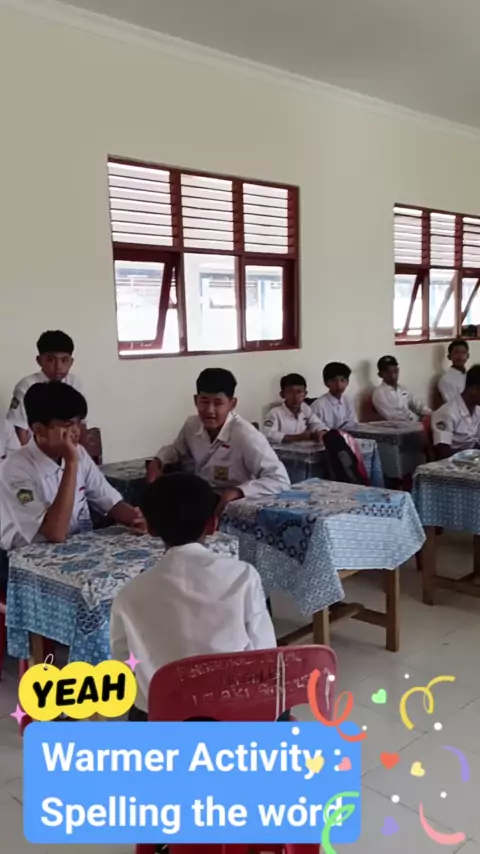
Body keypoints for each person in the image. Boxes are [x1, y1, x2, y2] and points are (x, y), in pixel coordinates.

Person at [110, 473, 276, 718]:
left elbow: (123, 662)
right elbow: (265, 654)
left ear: (151, 529)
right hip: (232, 716)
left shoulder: (129, 594)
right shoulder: (243, 576)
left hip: (162, 718)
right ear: (212, 524)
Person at [0, 382, 145, 550]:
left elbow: (109, 501)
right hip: (28, 555)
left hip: (75, 546)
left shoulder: (78, 453)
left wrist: (136, 518)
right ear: (39, 430)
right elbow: (55, 533)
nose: (76, 431)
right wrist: (71, 463)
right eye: (67, 425)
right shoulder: (14, 469)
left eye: (78, 422)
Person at [147, 368, 290, 513]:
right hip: (200, 497)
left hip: (233, 505)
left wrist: (238, 492)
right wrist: (157, 462)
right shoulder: (191, 425)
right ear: (195, 401)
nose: (210, 410)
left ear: (232, 404)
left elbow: (280, 479)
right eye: (204, 402)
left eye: (218, 403)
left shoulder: (245, 435)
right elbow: (175, 450)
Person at [7, 330, 83, 446]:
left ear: (71, 362)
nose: (58, 366)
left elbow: (81, 422)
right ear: (39, 361)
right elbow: (20, 429)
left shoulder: (75, 383)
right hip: (35, 449)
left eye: (64, 360)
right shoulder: (26, 385)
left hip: (68, 446)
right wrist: (26, 456)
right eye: (51, 360)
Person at [432, 364, 480, 458]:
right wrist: (471, 454)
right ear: (473, 390)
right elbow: (442, 452)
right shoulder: (447, 412)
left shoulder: (477, 410)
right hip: (453, 462)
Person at [263, 373, 326, 444]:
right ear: (282, 394)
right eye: (290, 392)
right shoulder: (274, 413)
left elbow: (316, 423)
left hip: (304, 449)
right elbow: (268, 434)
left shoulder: (305, 409)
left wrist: (320, 431)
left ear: (305, 394)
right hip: (281, 450)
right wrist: (298, 438)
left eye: (299, 392)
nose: (295, 396)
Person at [372, 355, 430, 422]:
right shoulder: (379, 393)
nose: (393, 375)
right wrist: (418, 420)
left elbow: (418, 405)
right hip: (395, 427)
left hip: (411, 424)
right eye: (387, 372)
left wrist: (429, 414)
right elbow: (395, 417)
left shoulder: (402, 389)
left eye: (395, 371)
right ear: (380, 375)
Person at [311, 362, 357, 431]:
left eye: (342, 380)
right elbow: (315, 428)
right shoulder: (318, 405)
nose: (339, 385)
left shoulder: (348, 401)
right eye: (334, 381)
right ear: (326, 383)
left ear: (347, 382)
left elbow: (352, 425)